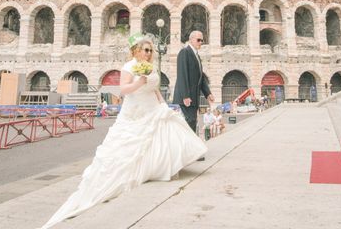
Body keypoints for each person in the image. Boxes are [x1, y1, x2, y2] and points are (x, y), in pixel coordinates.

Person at [40, 34, 206, 229]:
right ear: (136, 50)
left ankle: (162, 166)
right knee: (134, 142)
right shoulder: (128, 67)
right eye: (146, 50)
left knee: (166, 132)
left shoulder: (152, 67)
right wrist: (138, 83)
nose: (149, 53)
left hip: (153, 106)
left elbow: (155, 88)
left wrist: (163, 104)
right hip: (135, 110)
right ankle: (144, 168)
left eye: (151, 50)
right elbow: (124, 90)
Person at [172, 30, 214, 160]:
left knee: (192, 122)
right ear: (191, 39)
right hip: (187, 97)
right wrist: (185, 96)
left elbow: (200, 79)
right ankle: (190, 153)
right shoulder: (184, 52)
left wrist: (208, 94)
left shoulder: (196, 55)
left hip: (193, 96)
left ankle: (189, 152)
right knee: (190, 122)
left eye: (202, 40)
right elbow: (182, 75)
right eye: (198, 40)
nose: (201, 42)